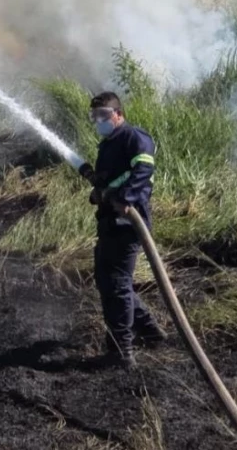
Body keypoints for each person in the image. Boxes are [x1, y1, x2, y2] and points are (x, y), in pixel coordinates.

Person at [78, 91, 167, 369]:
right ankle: (150, 331)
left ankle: (122, 351)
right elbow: (112, 179)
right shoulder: (108, 143)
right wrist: (100, 191)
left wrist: (122, 199)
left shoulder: (134, 137)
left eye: (103, 116)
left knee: (116, 284)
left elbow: (142, 171)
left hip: (128, 224)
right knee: (110, 281)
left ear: (118, 114)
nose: (99, 121)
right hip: (109, 224)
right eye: (95, 117)